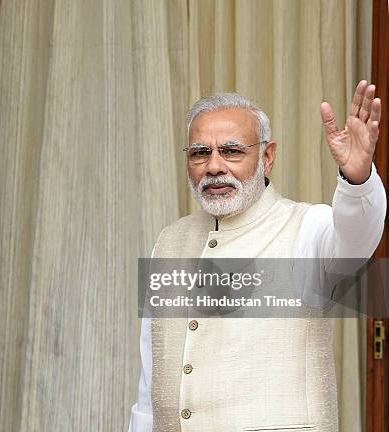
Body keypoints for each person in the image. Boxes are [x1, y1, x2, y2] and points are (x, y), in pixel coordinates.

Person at [129, 82, 385, 431]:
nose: (214, 166)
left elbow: (358, 238)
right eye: (199, 153)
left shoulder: (308, 228)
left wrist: (357, 180)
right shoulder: (169, 241)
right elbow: (150, 384)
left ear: (267, 157)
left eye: (232, 151)